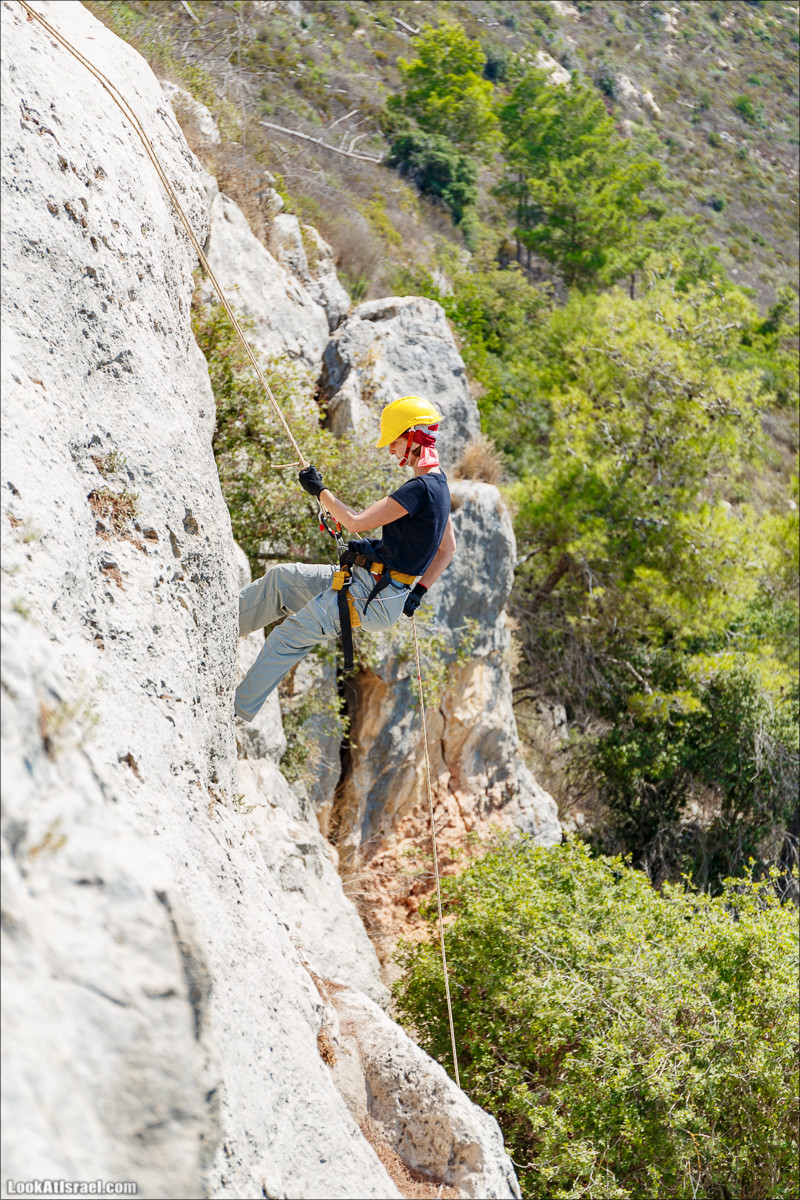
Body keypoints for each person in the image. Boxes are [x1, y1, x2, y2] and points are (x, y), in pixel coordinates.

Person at [234, 395, 457, 723]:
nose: (390, 450)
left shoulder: (420, 489)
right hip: (374, 587)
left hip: (371, 596)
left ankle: (232, 710)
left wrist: (319, 491)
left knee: (289, 635)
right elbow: (447, 549)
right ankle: (219, 627)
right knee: (282, 580)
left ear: (412, 437)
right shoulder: (440, 487)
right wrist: (418, 592)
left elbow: (355, 521)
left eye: (393, 442)